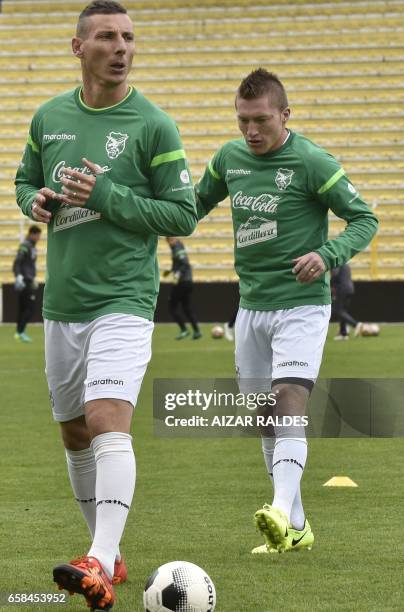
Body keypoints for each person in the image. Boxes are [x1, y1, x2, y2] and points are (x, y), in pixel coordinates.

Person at [15, 1, 196, 609]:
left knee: (104, 418)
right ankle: (109, 556)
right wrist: (34, 201)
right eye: (108, 38)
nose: (121, 48)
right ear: (78, 48)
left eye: (128, 37)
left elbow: (182, 215)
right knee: (72, 433)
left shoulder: (154, 125)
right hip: (63, 300)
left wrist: (110, 194)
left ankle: (97, 555)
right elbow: (23, 181)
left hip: (124, 296)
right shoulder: (48, 118)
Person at [195, 68, 378, 554]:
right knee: (264, 417)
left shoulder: (313, 161)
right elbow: (190, 208)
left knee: (287, 403)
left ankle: (276, 506)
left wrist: (329, 254)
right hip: (251, 308)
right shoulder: (228, 159)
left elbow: (365, 218)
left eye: (260, 120)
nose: (250, 132)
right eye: (242, 121)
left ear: (284, 115)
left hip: (302, 305)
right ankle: (295, 525)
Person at [163, 236, 201, 340]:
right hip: (188, 281)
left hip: (182, 282)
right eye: (168, 240)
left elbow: (184, 264)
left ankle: (184, 329)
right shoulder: (179, 247)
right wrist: (171, 271)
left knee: (172, 307)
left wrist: (177, 274)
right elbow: (180, 264)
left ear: (175, 239)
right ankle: (197, 331)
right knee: (186, 308)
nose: (169, 242)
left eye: (170, 240)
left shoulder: (177, 248)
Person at [12, 224, 41, 343]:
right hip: (24, 281)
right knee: (29, 307)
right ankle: (20, 332)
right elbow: (18, 262)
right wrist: (18, 276)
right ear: (32, 234)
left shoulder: (33, 247)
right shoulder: (25, 246)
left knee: (23, 307)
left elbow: (29, 264)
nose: (39, 237)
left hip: (28, 279)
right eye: (38, 235)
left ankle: (19, 333)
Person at [331, 263, 362, 340]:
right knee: (343, 311)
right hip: (350, 288)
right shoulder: (345, 264)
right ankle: (343, 333)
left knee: (338, 310)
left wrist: (331, 285)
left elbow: (335, 275)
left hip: (341, 289)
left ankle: (356, 325)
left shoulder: (336, 263)